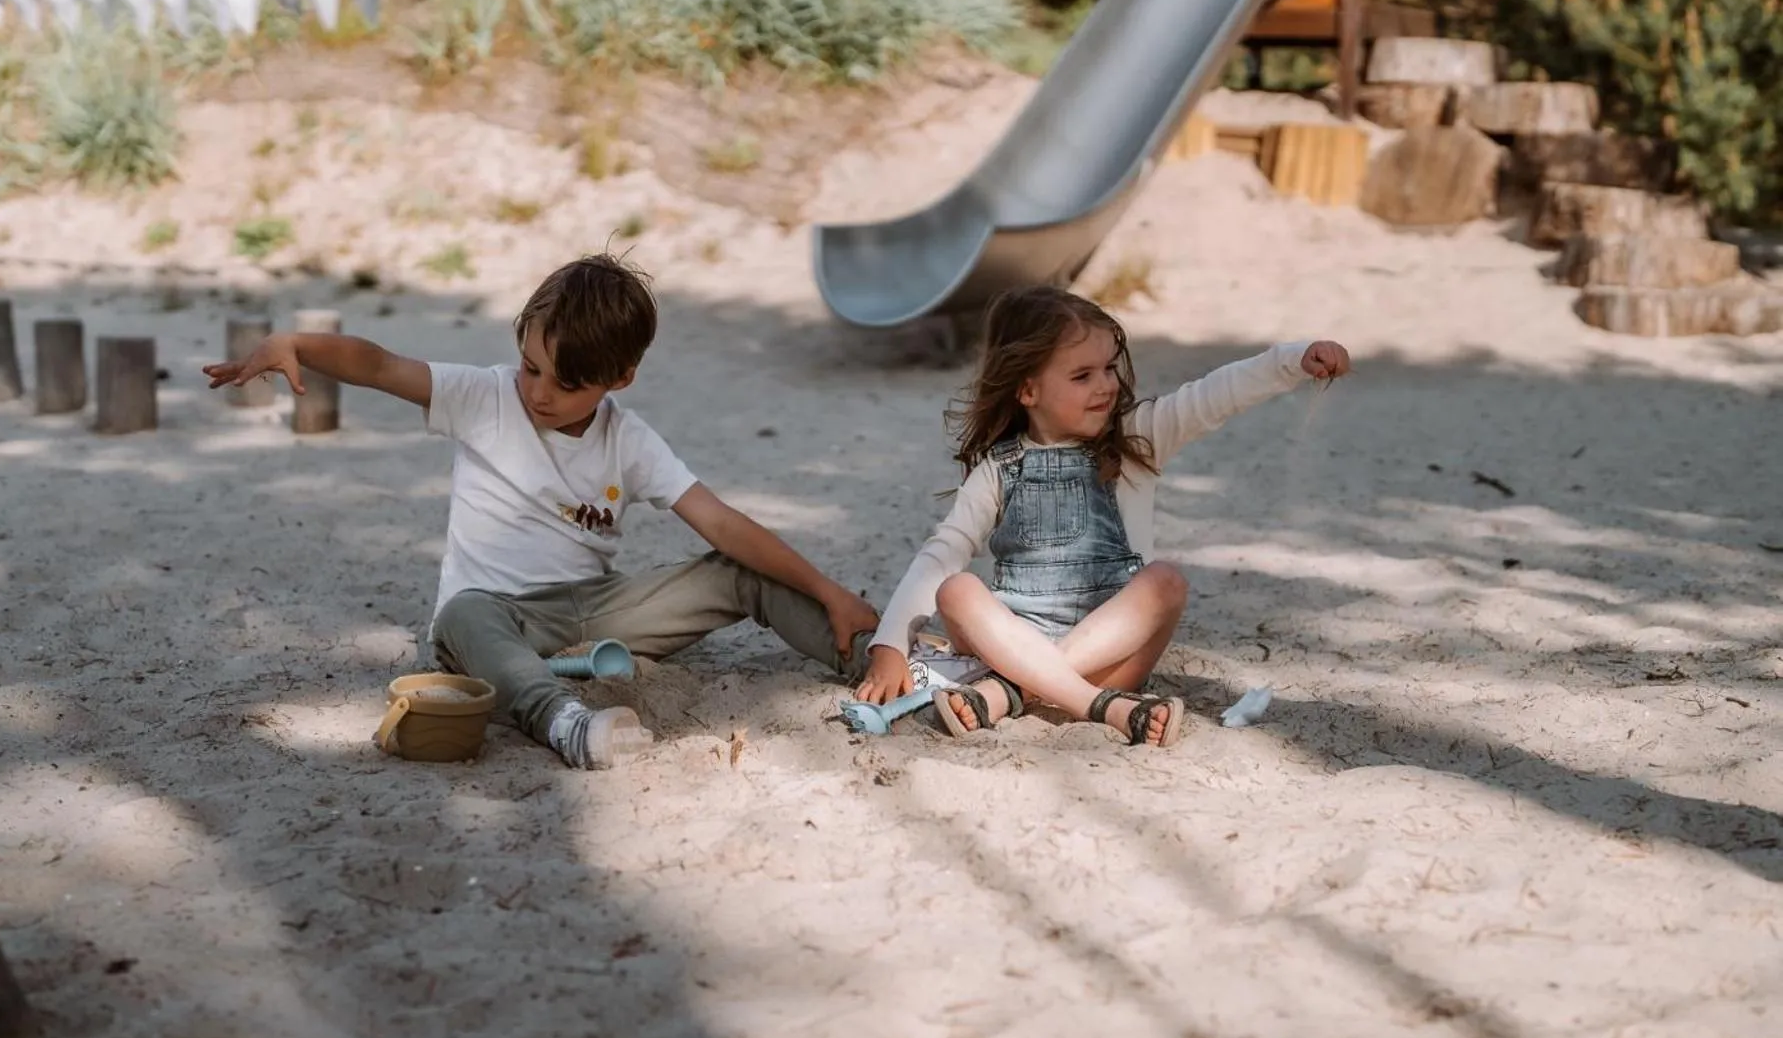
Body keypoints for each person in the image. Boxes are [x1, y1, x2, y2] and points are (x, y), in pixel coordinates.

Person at [204, 253, 880, 769]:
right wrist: (298, 345)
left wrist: (829, 591)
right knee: (461, 612)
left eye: (567, 383)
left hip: (591, 611)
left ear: (619, 378)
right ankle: (564, 722)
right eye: (530, 367)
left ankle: (881, 666)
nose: (540, 393)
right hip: (491, 621)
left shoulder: (629, 439)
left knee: (739, 571)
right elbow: (380, 365)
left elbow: (723, 523)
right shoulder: (483, 397)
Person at [851, 285, 1349, 747]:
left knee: (1165, 582)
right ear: (1028, 392)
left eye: (1110, 368)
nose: (1106, 385)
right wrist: (890, 643)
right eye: (1082, 375)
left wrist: (1292, 361)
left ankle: (1010, 693)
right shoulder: (998, 470)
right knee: (956, 590)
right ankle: (1093, 706)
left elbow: (1213, 396)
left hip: (1111, 656)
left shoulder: (1138, 440)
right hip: (1013, 640)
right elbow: (943, 554)